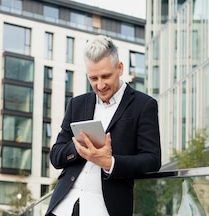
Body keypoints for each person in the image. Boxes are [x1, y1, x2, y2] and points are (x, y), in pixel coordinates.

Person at [45, 35, 162, 216]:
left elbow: (152, 160)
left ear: (120, 68)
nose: (100, 85)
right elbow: (56, 156)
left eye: (106, 76)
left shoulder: (143, 105)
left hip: (106, 208)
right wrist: (79, 147)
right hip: (62, 207)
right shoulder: (77, 104)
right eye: (93, 78)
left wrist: (110, 163)